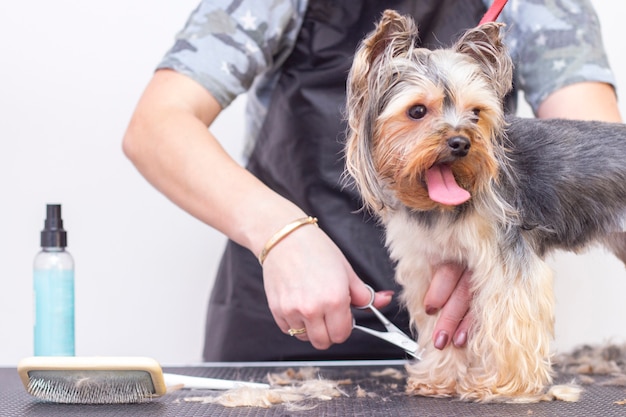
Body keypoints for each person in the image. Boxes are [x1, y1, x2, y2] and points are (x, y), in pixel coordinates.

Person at [123, 0, 622, 361]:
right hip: (282, 315)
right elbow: (156, 126)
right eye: (419, 112)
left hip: (463, 320)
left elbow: (593, 153)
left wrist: (497, 242)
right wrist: (279, 232)